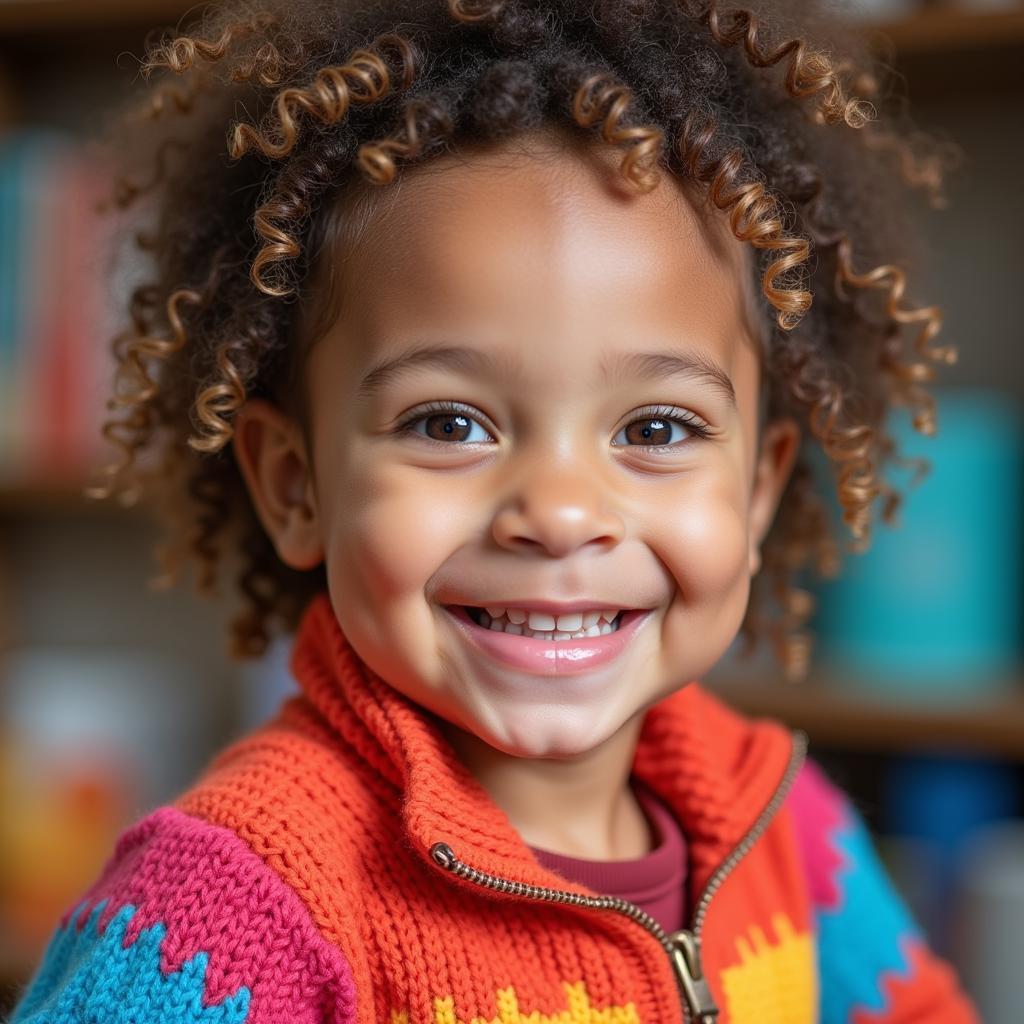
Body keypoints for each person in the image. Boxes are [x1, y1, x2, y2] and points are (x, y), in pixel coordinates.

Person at [8, 0, 978, 1021]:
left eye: (654, 430)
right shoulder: (230, 905)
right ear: (296, 484)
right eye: (449, 423)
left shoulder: (785, 829)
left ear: (757, 490)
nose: (559, 514)